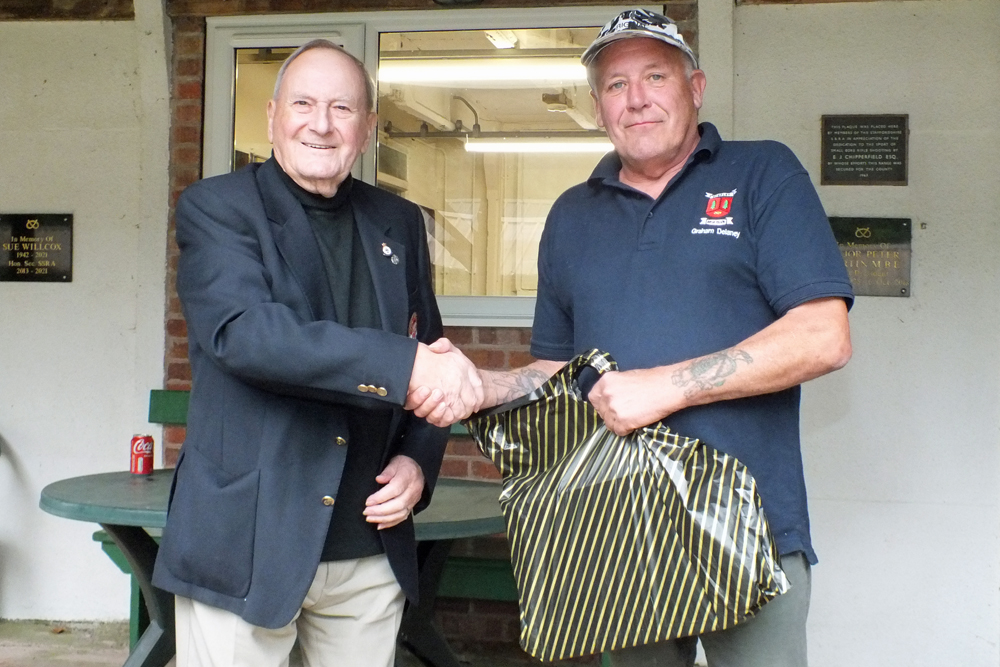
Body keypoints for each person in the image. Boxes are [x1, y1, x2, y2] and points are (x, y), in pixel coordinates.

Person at [413, 9, 853, 667]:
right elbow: (554, 370)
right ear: (597, 107)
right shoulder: (570, 216)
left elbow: (823, 335)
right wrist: (485, 385)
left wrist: (665, 387)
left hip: (753, 523)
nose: (637, 97)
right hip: (622, 530)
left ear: (695, 88)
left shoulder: (763, 175)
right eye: (616, 85)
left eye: (656, 75)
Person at [151, 40, 482, 667]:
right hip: (246, 540)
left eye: (342, 107)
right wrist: (406, 365)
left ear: (368, 128)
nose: (321, 123)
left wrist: (417, 461)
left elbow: (428, 346)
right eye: (303, 103)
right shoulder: (217, 209)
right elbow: (247, 335)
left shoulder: (400, 221)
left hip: (367, 545)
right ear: (273, 114)